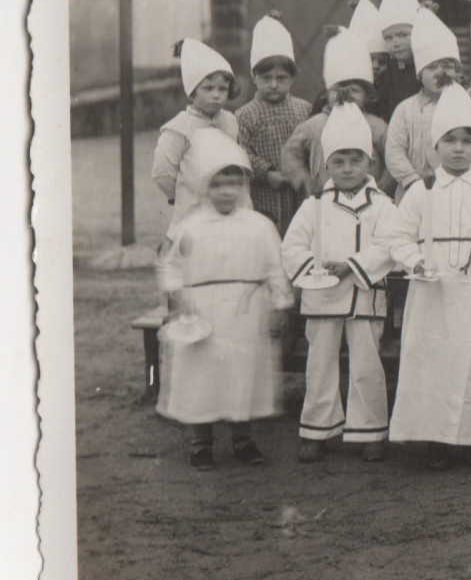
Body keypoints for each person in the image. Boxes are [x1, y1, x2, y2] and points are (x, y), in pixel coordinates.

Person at [381, 84, 471, 470]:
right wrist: (415, 261)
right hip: (433, 291)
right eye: (450, 140)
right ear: (434, 146)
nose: (459, 148)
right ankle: (435, 440)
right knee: (433, 363)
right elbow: (398, 236)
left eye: (468, 141)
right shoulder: (421, 190)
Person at [157, 129, 293, 469]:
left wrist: (280, 304)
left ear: (244, 186)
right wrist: (178, 296)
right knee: (202, 376)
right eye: (218, 184)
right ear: (206, 188)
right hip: (203, 312)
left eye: (233, 183)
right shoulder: (192, 227)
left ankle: (243, 439)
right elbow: (171, 264)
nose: (226, 191)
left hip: (247, 310)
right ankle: (200, 441)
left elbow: (276, 267)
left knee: (242, 374)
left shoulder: (260, 226)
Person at [280, 103, 397, 463]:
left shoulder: (382, 205)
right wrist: (311, 274)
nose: (347, 169)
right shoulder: (315, 205)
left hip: (365, 297)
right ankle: (318, 428)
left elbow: (391, 244)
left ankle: (370, 430)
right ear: (325, 165)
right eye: (338, 162)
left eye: (355, 161)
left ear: (370, 164)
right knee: (320, 364)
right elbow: (291, 246)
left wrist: (353, 265)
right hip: (322, 299)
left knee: (366, 364)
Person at [280, 28, 393, 199]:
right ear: (327, 94)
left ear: (366, 96)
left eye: (354, 90)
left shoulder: (376, 127)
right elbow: (290, 153)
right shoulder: (315, 125)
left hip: (368, 200)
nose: (345, 95)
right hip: (325, 199)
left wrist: (382, 188)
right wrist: (303, 180)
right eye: (338, 90)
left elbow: (393, 155)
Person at [152, 38, 242, 236]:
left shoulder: (230, 122)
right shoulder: (180, 128)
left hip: (226, 206)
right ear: (193, 93)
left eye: (222, 89)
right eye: (208, 89)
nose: (216, 95)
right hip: (192, 208)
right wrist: (179, 196)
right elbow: (163, 171)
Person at [236, 13, 312, 235]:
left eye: (281, 78)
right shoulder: (246, 114)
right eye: (266, 78)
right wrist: (267, 173)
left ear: (292, 78)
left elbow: (311, 143)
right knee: (268, 234)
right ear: (254, 77)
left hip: (298, 189)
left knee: (299, 234)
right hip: (264, 192)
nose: (274, 84)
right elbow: (243, 151)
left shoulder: (303, 109)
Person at [384, 7, 464, 196]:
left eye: (447, 66)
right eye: (432, 67)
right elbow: (394, 151)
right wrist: (413, 182)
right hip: (412, 192)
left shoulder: (465, 105)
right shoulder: (405, 110)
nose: (440, 73)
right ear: (420, 75)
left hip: (456, 191)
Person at [373, 0, 422, 122]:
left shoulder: (425, 70)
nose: (395, 43)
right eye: (389, 38)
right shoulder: (387, 75)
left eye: (402, 35)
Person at [346, 0, 391, 116]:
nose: (376, 66)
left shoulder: (388, 94)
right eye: (370, 59)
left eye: (382, 61)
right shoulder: (336, 92)